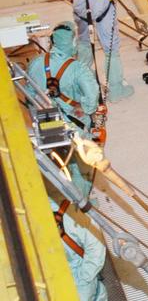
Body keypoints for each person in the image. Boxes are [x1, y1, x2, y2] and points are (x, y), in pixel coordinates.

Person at [28, 23, 100, 196]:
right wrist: (85, 108)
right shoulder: (78, 69)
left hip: (47, 122)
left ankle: (67, 175)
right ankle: (82, 186)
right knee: (78, 151)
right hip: (73, 124)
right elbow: (91, 99)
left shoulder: (36, 63)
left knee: (61, 154)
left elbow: (30, 95)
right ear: (72, 43)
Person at [51, 197, 115, 301]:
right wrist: (84, 278)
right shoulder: (69, 212)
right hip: (83, 293)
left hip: (53, 293)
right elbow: (96, 247)